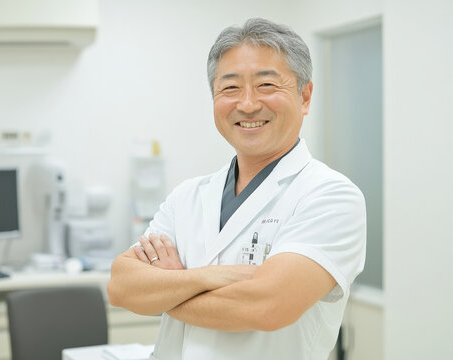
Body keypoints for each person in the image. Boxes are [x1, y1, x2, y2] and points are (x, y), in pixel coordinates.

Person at [107, 18, 366, 360]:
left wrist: (167, 289)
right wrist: (211, 277)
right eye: (230, 88)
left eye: (266, 85)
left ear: (304, 96)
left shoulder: (330, 196)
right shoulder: (188, 196)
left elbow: (266, 307)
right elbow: (121, 287)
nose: (247, 104)